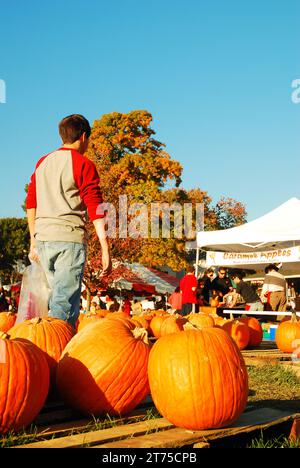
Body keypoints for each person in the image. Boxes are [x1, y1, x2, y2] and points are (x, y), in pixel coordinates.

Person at [26, 114, 111, 328]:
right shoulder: (83, 164)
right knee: (64, 305)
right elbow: (96, 207)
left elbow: (31, 204)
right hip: (68, 240)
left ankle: (49, 350)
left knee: (55, 300)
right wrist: (104, 248)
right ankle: (57, 355)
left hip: (43, 240)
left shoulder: (42, 162)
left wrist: (33, 241)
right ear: (83, 137)